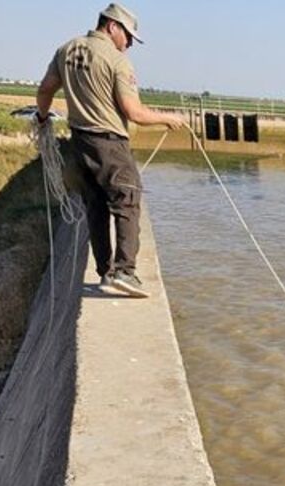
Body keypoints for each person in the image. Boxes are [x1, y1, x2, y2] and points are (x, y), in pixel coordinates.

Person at [36, 3, 185, 298]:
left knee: (96, 206)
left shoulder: (66, 50)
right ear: (112, 26)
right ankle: (125, 272)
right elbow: (134, 112)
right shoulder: (118, 62)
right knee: (127, 199)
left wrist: (41, 120)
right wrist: (169, 119)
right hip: (109, 143)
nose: (129, 43)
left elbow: (45, 90)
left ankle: (106, 271)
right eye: (128, 36)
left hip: (79, 142)